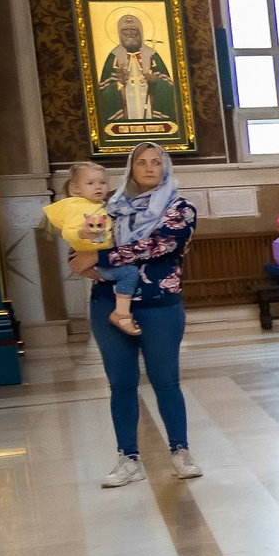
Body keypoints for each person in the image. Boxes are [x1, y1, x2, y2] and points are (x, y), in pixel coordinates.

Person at [93, 143, 200, 487]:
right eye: (142, 162)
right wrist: (82, 259)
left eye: (156, 162)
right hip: (109, 305)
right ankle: (128, 459)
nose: (149, 167)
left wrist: (103, 260)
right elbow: (80, 247)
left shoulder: (179, 207)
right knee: (121, 384)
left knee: (165, 381)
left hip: (159, 304)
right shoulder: (109, 208)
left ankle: (181, 452)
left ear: (165, 167)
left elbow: (159, 245)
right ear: (131, 167)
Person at [46, 161, 140, 335]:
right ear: (75, 188)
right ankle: (121, 313)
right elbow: (69, 232)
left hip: (102, 256)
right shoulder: (76, 207)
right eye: (90, 183)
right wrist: (81, 233)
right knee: (130, 273)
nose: (98, 187)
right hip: (96, 259)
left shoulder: (101, 205)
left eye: (102, 183)